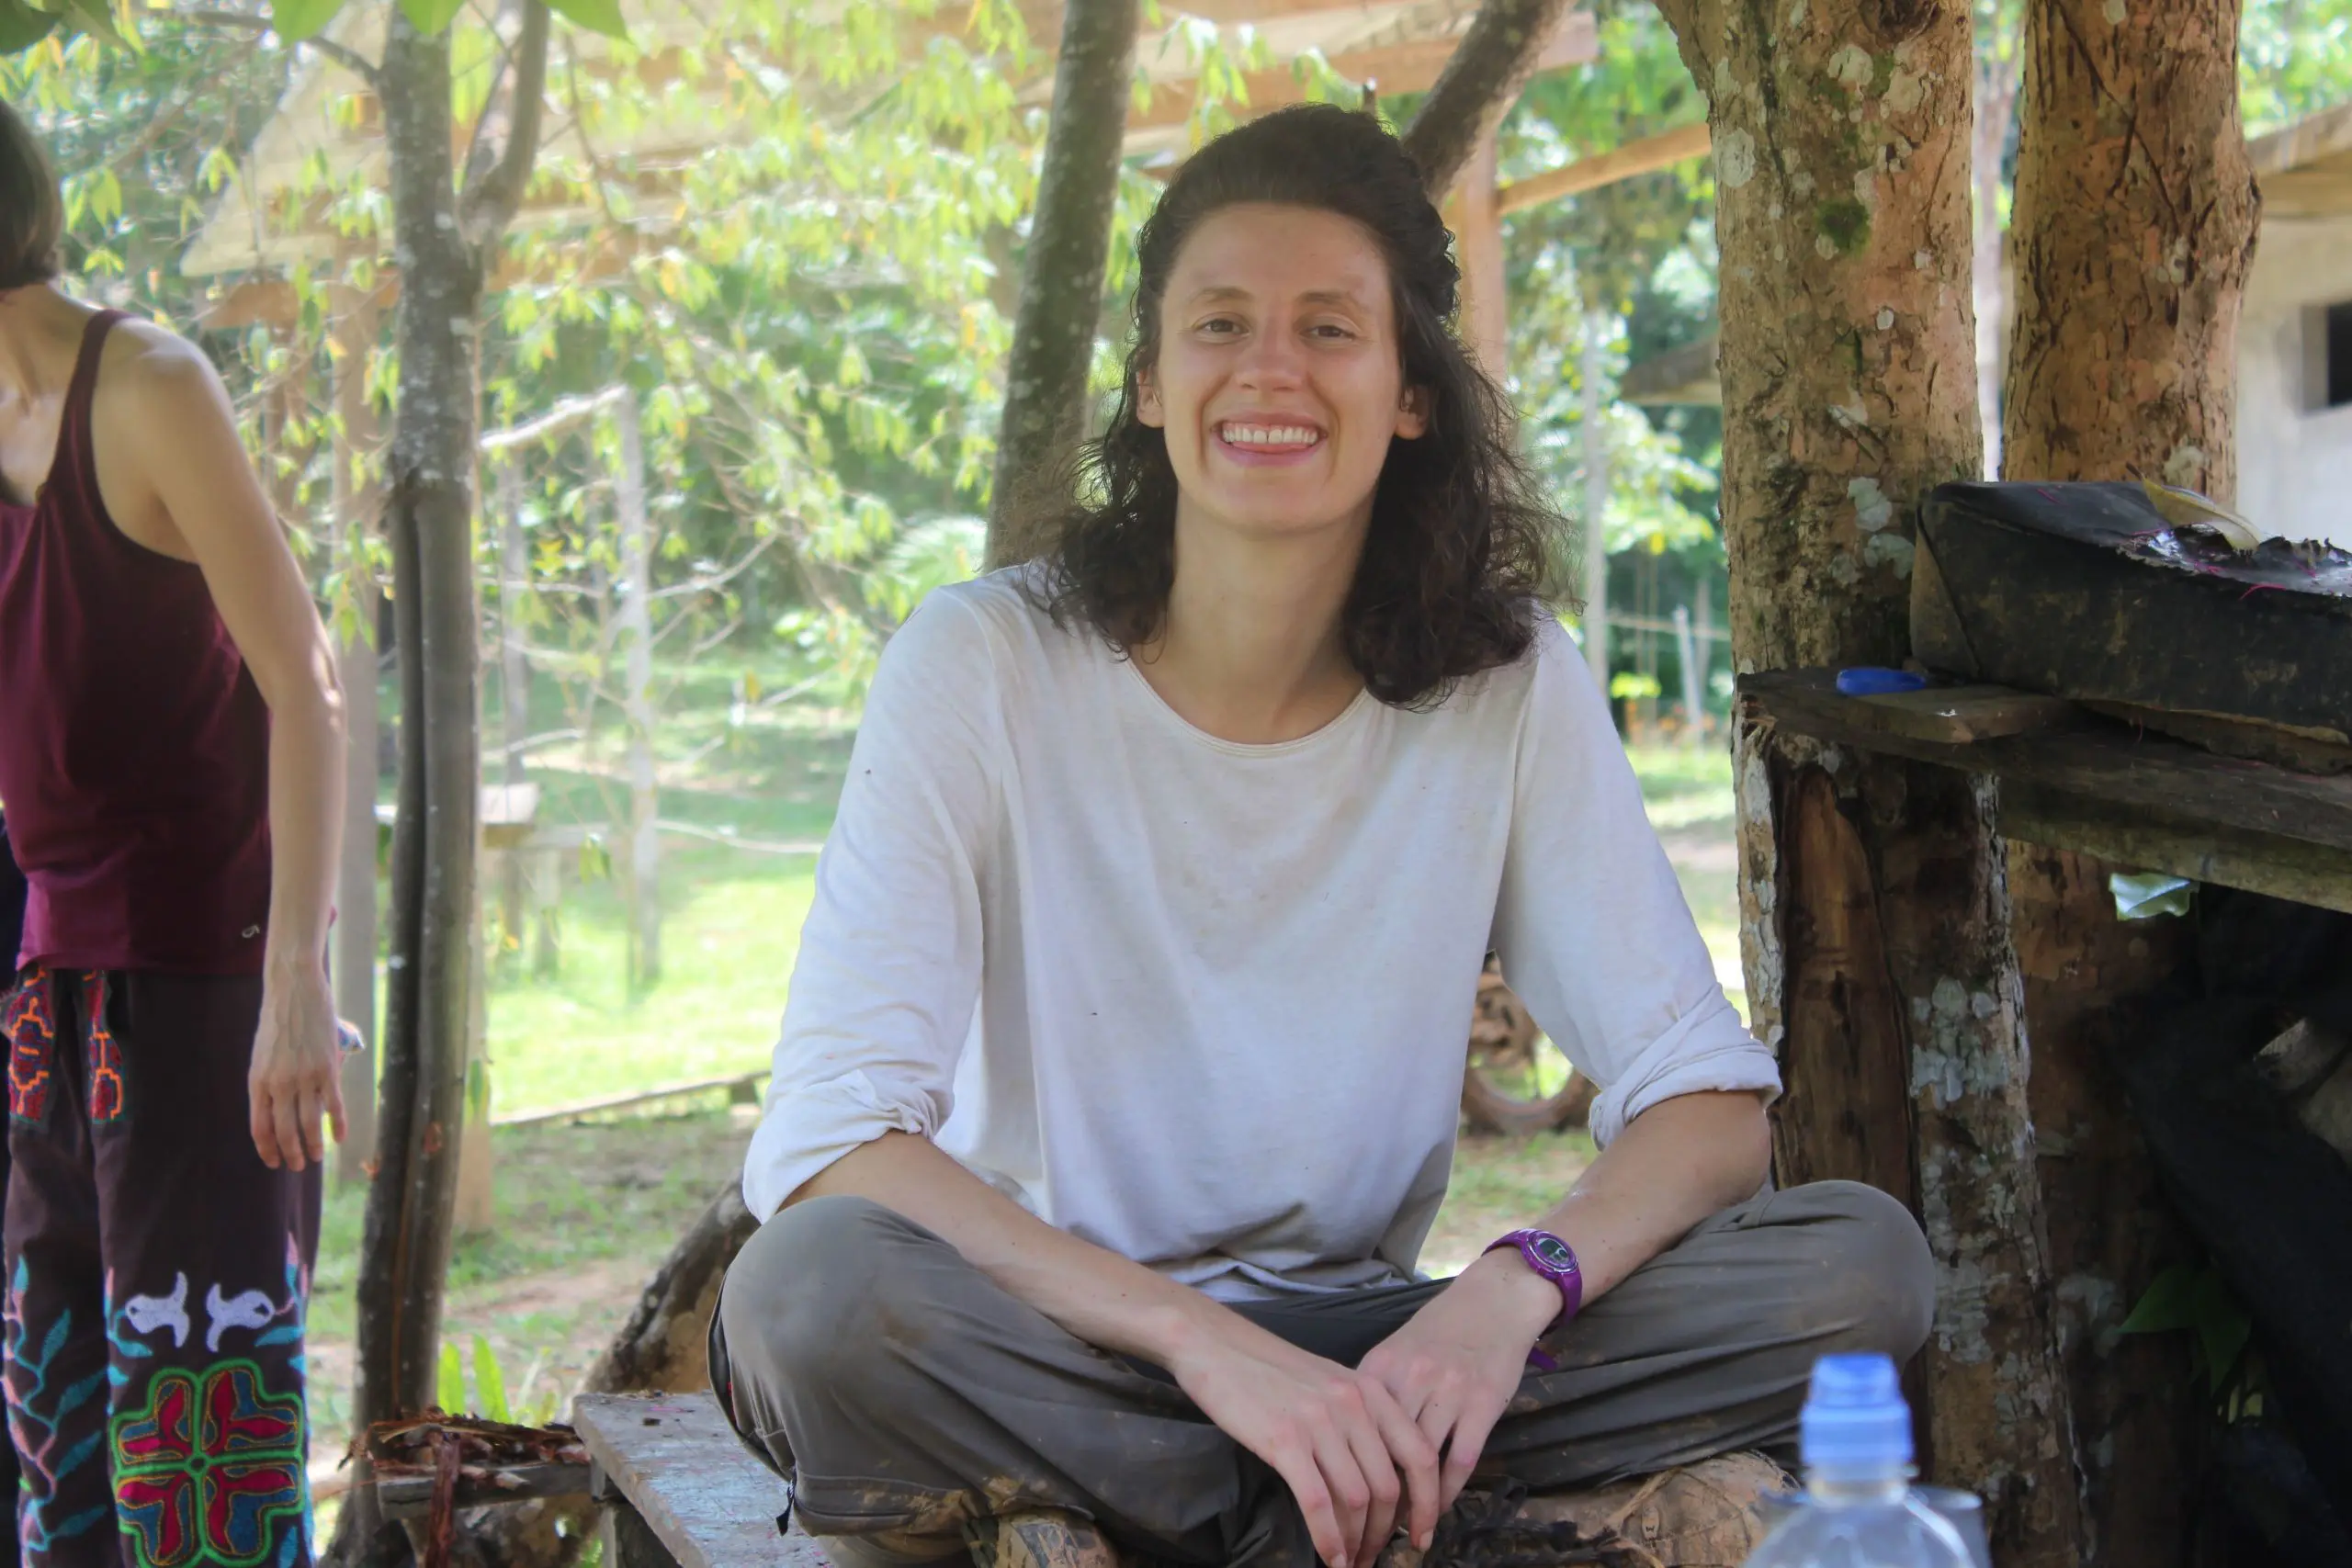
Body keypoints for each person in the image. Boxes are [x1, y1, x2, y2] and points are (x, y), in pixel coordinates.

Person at [714, 105, 1934, 1568]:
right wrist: (1202, 1346)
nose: (1268, 368)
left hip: (1376, 1342)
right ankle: (1349, 1502)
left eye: (1328, 327)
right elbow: (835, 1138)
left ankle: (1241, 1499)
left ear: (1413, 388)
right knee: (812, 1296)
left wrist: (1504, 1291)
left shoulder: (1507, 684)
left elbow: (1712, 1107)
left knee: (1858, 1267)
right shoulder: (982, 664)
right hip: (1055, 1334)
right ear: (1155, 385)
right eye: (1219, 322)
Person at [0, 96, 346, 1568]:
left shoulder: (147, 389)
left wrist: (296, 985)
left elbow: (308, 684)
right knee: (61, 1456)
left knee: (203, 1472)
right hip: (49, 1006)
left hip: (209, 1001)